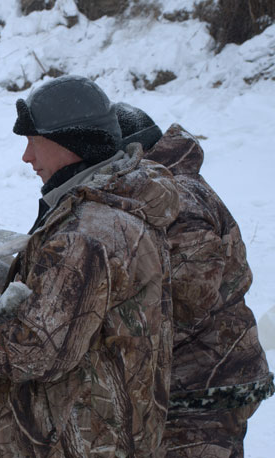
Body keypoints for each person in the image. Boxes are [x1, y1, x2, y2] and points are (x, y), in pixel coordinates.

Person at [0, 75, 180, 457]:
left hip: (78, 443)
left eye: (33, 142)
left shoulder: (84, 234)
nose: (27, 157)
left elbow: (35, 349)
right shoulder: (122, 207)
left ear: (71, 144)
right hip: (112, 437)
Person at [114, 103, 274, 458]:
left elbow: (189, 299)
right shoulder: (169, 189)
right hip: (198, 380)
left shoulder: (178, 200)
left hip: (200, 387)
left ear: (129, 154)